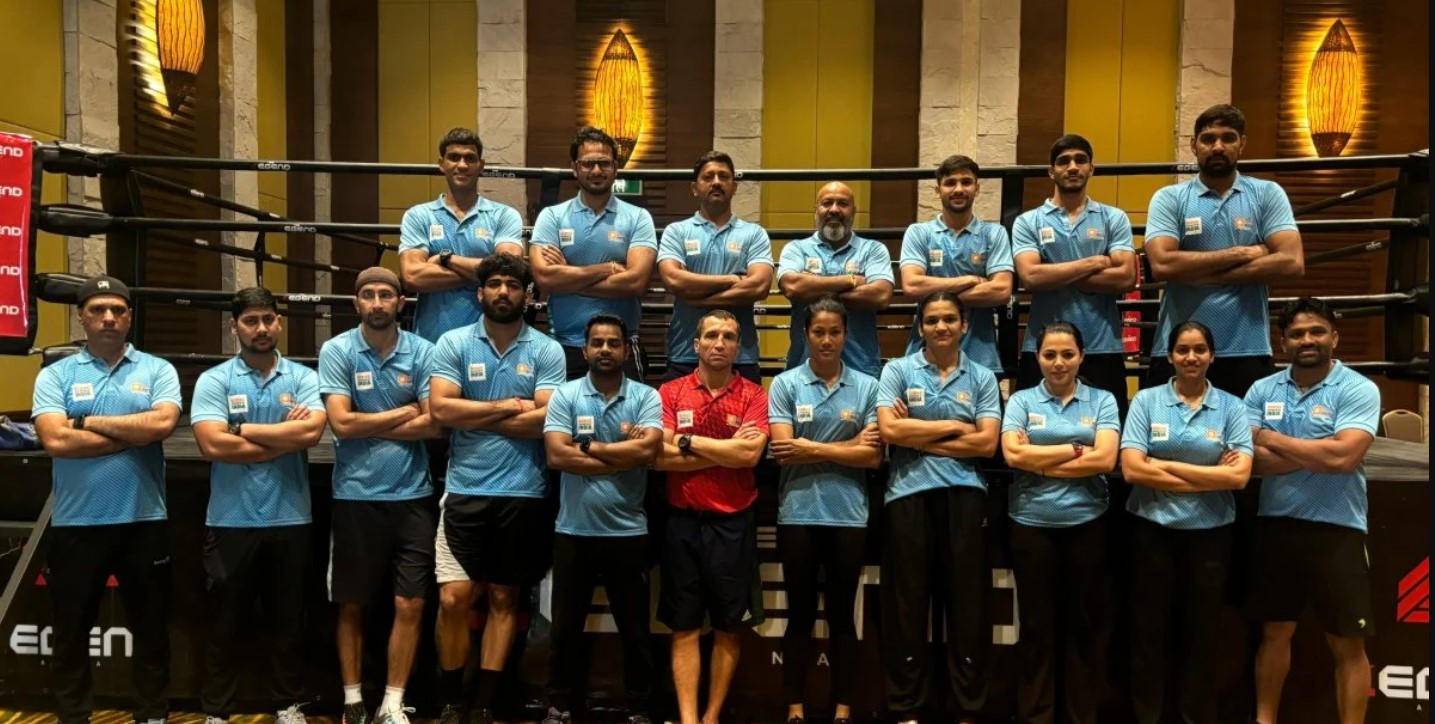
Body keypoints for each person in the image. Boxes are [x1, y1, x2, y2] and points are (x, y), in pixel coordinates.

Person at [31, 275, 181, 724]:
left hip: (144, 519)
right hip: (77, 523)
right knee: (71, 633)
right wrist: (131, 432)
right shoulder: (55, 375)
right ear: (81, 316)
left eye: (118, 310)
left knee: (151, 632)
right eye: (98, 310)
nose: (109, 318)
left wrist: (84, 423)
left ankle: (151, 716)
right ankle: (73, 717)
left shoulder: (157, 370)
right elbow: (55, 440)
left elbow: (162, 426)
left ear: (130, 317)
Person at [427, 253, 566, 724]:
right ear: (479, 292)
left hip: (524, 491)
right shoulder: (453, 342)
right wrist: (509, 406)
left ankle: (485, 703)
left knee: (505, 599)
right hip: (465, 489)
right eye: (494, 284)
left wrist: (475, 412)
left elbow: (546, 419)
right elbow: (442, 411)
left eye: (512, 285)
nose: (503, 291)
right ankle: (451, 699)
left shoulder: (546, 349)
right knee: (453, 598)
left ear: (527, 296)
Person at [191, 287, 328, 724]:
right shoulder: (215, 380)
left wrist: (240, 428)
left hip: (291, 516)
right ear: (235, 327)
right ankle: (217, 712)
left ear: (279, 323)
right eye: (251, 321)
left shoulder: (303, 378)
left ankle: (288, 706)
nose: (261, 328)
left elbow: (310, 434)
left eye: (268, 319)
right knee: (224, 623)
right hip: (230, 519)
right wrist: (281, 440)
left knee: (288, 622)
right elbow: (212, 445)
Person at [1246, 297, 1380, 724]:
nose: (1307, 340)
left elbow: (1345, 456)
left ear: (1334, 338)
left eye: (1317, 331)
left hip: (1338, 527)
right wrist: (1320, 452)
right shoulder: (1262, 390)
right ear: (1283, 342)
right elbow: (1251, 461)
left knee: (1348, 643)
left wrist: (1271, 438)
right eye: (1297, 334)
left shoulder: (1358, 388)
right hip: (1277, 525)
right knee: (1274, 632)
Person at [318, 267, 441, 724]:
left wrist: (368, 422)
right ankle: (352, 700)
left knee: (411, 602)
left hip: (413, 496)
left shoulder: (423, 351)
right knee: (352, 603)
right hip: (355, 495)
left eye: (385, 295)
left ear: (400, 303)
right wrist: (404, 413)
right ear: (356, 303)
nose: (376, 302)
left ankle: (392, 702)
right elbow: (341, 423)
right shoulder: (338, 351)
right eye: (367, 295)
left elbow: (435, 424)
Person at [876, 292, 1001, 724]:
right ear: (921, 326)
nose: (941, 327)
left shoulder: (982, 377)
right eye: (932, 320)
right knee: (907, 607)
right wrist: (954, 426)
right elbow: (889, 431)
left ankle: (967, 709)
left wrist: (918, 432)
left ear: (964, 325)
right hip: (907, 496)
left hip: (965, 495)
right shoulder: (897, 370)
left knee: (967, 608)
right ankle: (906, 708)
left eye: (949, 319)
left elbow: (986, 443)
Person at [1119, 320, 1253, 724]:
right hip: (1151, 530)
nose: (1191, 357)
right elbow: (1132, 470)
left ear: (1212, 356)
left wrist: (1162, 466)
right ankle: (1147, 717)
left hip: (1210, 535)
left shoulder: (1232, 407)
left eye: (1199, 350)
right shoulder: (1146, 402)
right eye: (1182, 350)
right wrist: (1210, 474)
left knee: (1201, 635)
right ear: (1170, 356)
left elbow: (1238, 478)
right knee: (1148, 631)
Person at [540, 314, 665, 724]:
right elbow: (556, 455)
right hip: (573, 530)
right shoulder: (566, 395)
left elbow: (647, 452)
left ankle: (640, 709)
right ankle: (559, 706)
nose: (606, 350)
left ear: (626, 350)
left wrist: (588, 447)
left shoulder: (646, 397)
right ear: (585, 350)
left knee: (635, 630)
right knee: (564, 629)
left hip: (629, 532)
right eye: (598, 343)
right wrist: (620, 455)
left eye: (614, 343)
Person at [766, 297, 882, 724]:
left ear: (846, 335)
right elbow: (783, 451)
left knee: (841, 618)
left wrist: (810, 447)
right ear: (805, 335)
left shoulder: (868, 387)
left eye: (835, 332)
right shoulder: (785, 384)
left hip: (849, 516)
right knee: (799, 617)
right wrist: (846, 446)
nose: (827, 340)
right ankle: (795, 708)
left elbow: (872, 457)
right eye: (819, 332)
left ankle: (843, 708)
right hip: (797, 514)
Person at [999, 320, 1121, 724]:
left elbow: (1106, 459)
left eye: (1068, 354)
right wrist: (1076, 449)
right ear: (1038, 358)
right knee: (1036, 627)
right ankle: (1037, 715)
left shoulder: (1102, 401)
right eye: (1049, 354)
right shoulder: (1021, 401)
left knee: (1082, 626)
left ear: (1081, 357)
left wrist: (1040, 461)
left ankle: (1080, 715)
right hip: (1030, 523)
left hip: (1087, 522)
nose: (1058, 363)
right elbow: (1013, 456)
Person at [655, 310, 770, 724]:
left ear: (739, 347)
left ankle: (711, 717)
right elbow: (659, 456)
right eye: (711, 336)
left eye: (728, 337)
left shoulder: (754, 395)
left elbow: (750, 455)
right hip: (682, 523)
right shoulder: (670, 392)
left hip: (733, 523)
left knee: (728, 627)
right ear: (696, 344)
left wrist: (687, 442)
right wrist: (725, 451)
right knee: (684, 626)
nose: (719, 343)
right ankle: (689, 720)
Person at [1144, 104, 1305, 397]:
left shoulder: (1267, 194)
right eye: (1208, 139)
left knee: (1247, 429)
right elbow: (1163, 265)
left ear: (1241, 144)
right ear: (1194, 145)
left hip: (1247, 349)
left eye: (1228, 138)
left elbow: (1291, 263)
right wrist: (1243, 254)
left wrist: (1196, 273)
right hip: (1180, 349)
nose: (1218, 147)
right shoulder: (1170, 198)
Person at [1012, 136, 1138, 418]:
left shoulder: (1113, 218)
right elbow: (1030, 276)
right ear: (1051, 171)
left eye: (1080, 160)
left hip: (1101, 346)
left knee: (1108, 431)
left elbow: (1126, 276)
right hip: (1043, 348)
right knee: (1034, 429)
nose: (1072, 167)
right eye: (1063, 161)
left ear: (1091, 168)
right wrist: (1094, 262)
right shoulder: (1028, 221)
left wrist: (1055, 271)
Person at [530, 126, 658, 380]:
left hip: (621, 346)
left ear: (615, 168)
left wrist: (567, 276)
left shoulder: (638, 217)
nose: (597, 171)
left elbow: (636, 282)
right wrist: (607, 269)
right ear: (575, 168)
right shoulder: (552, 216)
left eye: (604, 163)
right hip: (565, 346)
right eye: (588, 163)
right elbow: (544, 278)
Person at [397, 127, 526, 343]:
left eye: (470, 158)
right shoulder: (419, 215)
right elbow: (412, 276)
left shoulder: (504, 215)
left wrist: (446, 259)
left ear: (481, 165)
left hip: (489, 343)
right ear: (442, 164)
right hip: (432, 342)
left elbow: (508, 270)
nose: (463, 165)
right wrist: (485, 274)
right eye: (454, 157)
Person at [657, 150, 774, 383]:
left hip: (741, 356)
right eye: (708, 177)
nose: (716, 182)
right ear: (694, 187)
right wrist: (732, 279)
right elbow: (673, 279)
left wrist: (697, 298)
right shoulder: (676, 231)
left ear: (734, 186)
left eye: (724, 176)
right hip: (685, 353)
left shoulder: (754, 233)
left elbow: (759, 286)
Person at [899, 155, 1015, 376]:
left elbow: (1001, 290)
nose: (959, 189)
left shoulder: (994, 233)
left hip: (980, 355)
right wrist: (970, 280)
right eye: (950, 183)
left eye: (966, 182)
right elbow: (912, 286)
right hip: (925, 353)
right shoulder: (919, 233)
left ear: (977, 188)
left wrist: (934, 296)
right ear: (938, 190)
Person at [776, 181, 894, 378]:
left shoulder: (873, 250)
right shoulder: (796, 248)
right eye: (827, 203)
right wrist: (851, 280)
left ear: (853, 211)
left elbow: (881, 295)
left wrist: (813, 287)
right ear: (816, 210)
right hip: (803, 371)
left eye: (843, 204)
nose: (834, 210)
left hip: (861, 370)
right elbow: (792, 287)